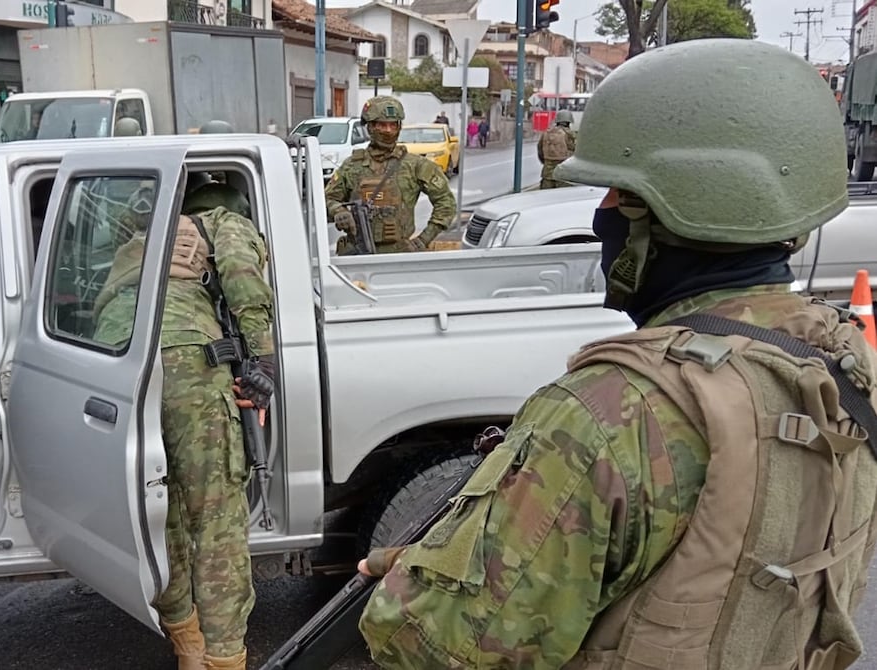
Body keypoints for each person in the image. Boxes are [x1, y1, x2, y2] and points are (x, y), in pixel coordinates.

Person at [357, 39, 877, 669]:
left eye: (617, 195)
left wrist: (404, 576)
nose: (601, 214)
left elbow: (442, 647)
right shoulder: (843, 356)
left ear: (672, 210)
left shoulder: (609, 412)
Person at [92, 182, 272, 670]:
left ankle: (186, 641)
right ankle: (223, 659)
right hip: (185, 358)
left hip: (110, 354)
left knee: (158, 508)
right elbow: (242, 276)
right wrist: (265, 363)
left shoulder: (141, 235)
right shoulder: (221, 221)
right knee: (215, 519)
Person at [325, 96, 457, 254]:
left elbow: (446, 204)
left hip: (398, 256)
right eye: (382, 125)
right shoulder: (352, 166)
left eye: (393, 125)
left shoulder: (416, 166)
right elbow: (327, 199)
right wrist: (338, 211)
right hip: (356, 254)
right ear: (370, 126)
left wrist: (422, 240)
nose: (388, 130)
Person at [537, 108, 576, 189]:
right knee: (561, 198)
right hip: (563, 172)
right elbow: (575, 150)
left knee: (546, 197)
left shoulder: (547, 132)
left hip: (547, 173)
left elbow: (540, 150)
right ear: (568, 122)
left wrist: (546, 162)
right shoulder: (569, 134)